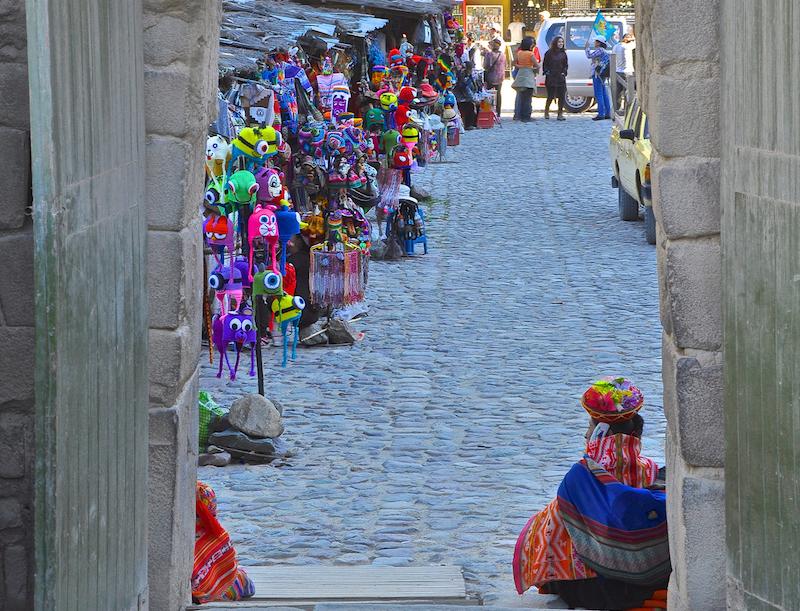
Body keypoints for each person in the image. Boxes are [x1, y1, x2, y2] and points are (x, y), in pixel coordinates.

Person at [513, 378, 671, 611]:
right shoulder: (654, 474)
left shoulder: (581, 478)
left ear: (598, 433)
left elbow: (550, 534)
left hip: (592, 588)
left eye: (589, 428)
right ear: (637, 433)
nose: (585, 435)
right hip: (652, 578)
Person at [511, 36, 538, 122]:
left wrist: (521, 66)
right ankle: (527, 116)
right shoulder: (531, 54)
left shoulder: (519, 53)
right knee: (528, 98)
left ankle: (519, 115)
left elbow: (513, 63)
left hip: (521, 74)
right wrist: (532, 67)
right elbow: (537, 65)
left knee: (521, 96)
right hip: (529, 75)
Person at [542, 35, 568, 120]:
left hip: (560, 77)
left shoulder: (563, 53)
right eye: (559, 42)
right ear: (555, 43)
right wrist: (547, 72)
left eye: (562, 42)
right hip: (551, 77)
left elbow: (565, 65)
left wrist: (564, 72)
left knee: (561, 96)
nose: (561, 43)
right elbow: (545, 64)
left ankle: (560, 114)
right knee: (550, 96)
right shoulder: (549, 53)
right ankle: (546, 112)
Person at [586, 38, 612, 120]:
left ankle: (601, 114)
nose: (594, 42)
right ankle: (607, 113)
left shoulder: (600, 50)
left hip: (598, 74)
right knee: (604, 94)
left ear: (599, 43)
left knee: (599, 94)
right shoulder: (603, 51)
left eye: (596, 41)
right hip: (602, 74)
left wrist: (587, 48)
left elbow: (589, 56)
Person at [612, 33, 636, 112]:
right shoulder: (628, 46)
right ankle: (627, 110)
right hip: (627, 72)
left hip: (618, 72)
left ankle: (616, 109)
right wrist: (632, 39)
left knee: (618, 93)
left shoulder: (616, 46)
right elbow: (636, 42)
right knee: (628, 92)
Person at [482, 38, 506, 116]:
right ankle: (498, 112)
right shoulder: (503, 55)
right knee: (498, 94)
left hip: (490, 76)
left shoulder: (489, 54)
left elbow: (485, 66)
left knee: (489, 94)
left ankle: (489, 110)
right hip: (500, 77)